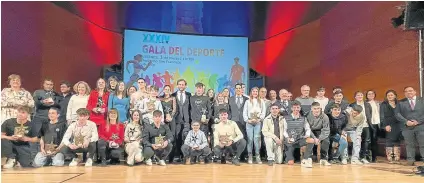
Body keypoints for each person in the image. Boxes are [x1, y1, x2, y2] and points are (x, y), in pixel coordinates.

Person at [395, 86, 424, 166]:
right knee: (409, 144)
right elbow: (397, 114)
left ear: (415, 92)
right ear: (404, 93)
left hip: (421, 126)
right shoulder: (400, 102)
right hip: (407, 127)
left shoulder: (422, 100)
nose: (409, 92)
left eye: (410, 91)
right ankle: (410, 160)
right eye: (406, 91)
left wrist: (418, 121)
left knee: (423, 144)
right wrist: (406, 121)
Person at [283, 101, 314, 168]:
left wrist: (307, 135)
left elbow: (307, 128)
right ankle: (289, 158)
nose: (296, 109)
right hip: (290, 141)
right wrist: (287, 137)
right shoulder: (286, 118)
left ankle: (305, 159)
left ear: (300, 108)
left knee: (311, 140)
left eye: (298, 107)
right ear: (291, 108)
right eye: (294, 108)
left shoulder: (303, 118)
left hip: (300, 139)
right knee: (290, 163)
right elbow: (284, 130)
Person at [243, 87, 266, 164]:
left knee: (256, 140)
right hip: (249, 122)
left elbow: (263, 112)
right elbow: (244, 113)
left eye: (256, 91)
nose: (255, 93)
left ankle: (257, 155)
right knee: (250, 139)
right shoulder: (247, 101)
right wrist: (248, 120)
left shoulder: (261, 101)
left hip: (258, 122)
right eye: (253, 91)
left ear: (258, 92)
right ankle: (250, 155)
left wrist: (259, 119)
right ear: (251, 92)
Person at [350, 91, 374, 164]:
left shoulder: (367, 105)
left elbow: (370, 114)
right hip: (356, 126)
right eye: (358, 95)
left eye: (361, 95)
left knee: (366, 141)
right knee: (356, 141)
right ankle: (355, 157)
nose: (360, 96)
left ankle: (363, 157)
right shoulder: (352, 105)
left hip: (366, 125)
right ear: (355, 97)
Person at [171, 79, 191, 162]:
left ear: (185, 86)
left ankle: (185, 155)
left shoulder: (189, 95)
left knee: (186, 137)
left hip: (187, 119)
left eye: (183, 84)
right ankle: (178, 155)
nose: (181, 86)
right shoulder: (173, 95)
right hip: (177, 119)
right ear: (177, 85)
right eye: (179, 84)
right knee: (177, 137)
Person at [228, 83, 249, 161]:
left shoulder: (247, 99)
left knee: (244, 138)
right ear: (234, 89)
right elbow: (228, 111)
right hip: (233, 122)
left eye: (240, 88)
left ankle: (243, 156)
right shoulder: (230, 99)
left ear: (242, 89)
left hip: (243, 122)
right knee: (234, 138)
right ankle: (234, 155)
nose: (238, 89)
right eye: (236, 88)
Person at [380, 90, 401, 164]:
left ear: (395, 96)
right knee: (389, 140)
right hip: (388, 124)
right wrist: (385, 126)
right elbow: (382, 116)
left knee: (397, 140)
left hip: (398, 124)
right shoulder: (383, 104)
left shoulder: (399, 103)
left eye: (391, 95)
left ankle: (397, 158)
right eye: (388, 95)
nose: (390, 96)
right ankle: (390, 158)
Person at [366, 90, 380, 162]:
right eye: (369, 94)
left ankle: (374, 157)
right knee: (368, 141)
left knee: (375, 141)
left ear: (374, 95)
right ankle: (368, 156)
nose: (371, 95)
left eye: (372, 94)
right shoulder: (365, 103)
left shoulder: (378, 103)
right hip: (368, 124)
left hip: (377, 124)